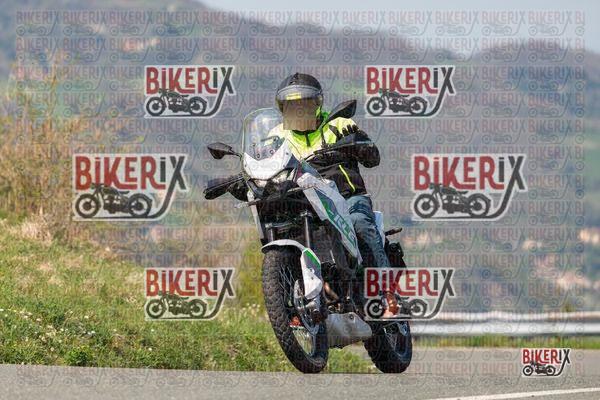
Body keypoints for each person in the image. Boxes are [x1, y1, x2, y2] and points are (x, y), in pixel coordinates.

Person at [270, 72, 398, 318]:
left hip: (348, 197)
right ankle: (292, 305)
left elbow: (373, 159)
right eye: (292, 105)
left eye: (304, 103)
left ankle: (386, 293)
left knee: (359, 223)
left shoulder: (338, 125)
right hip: (304, 203)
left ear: (317, 104)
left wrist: (358, 141)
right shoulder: (277, 137)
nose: (299, 110)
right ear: (283, 108)